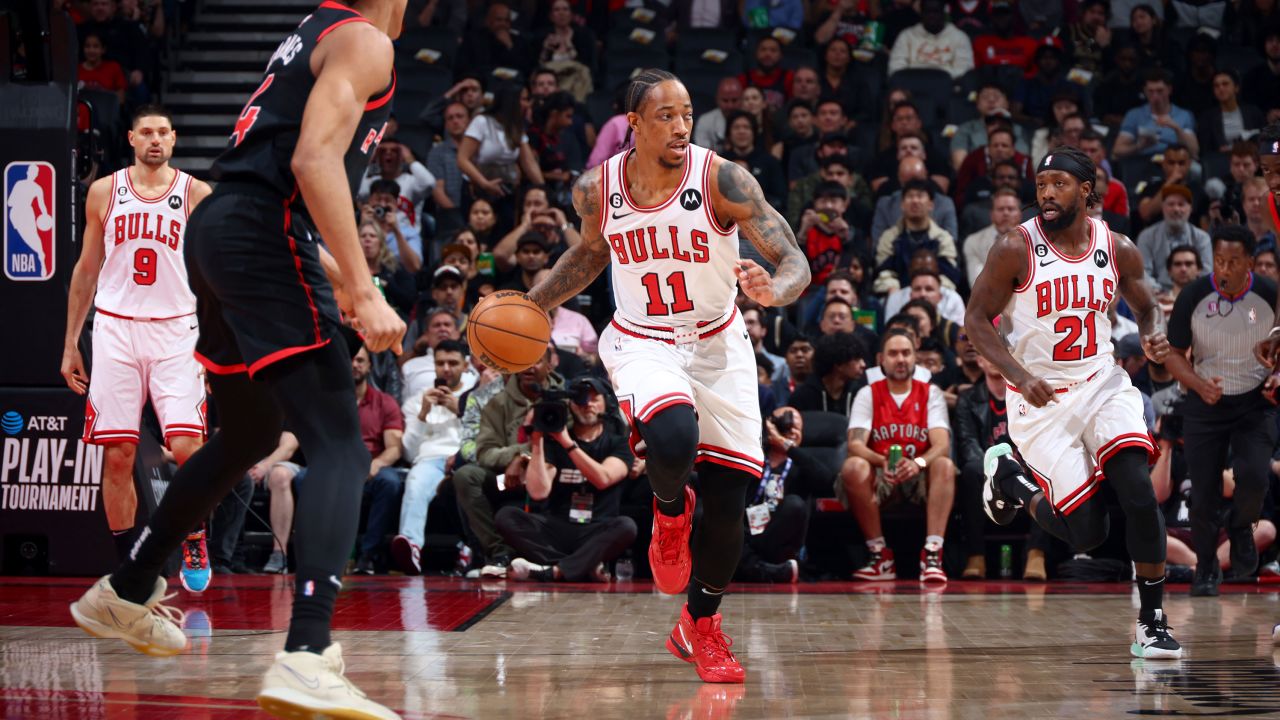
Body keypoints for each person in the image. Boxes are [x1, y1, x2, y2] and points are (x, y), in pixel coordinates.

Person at [68, 2, 408, 717]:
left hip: (216, 231)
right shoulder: (365, 40)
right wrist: (362, 284)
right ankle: (307, 654)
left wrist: (339, 277)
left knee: (250, 434)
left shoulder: (320, 26)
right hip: (261, 230)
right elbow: (311, 160)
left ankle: (127, 588)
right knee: (341, 447)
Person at [526, 69, 810, 684]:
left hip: (719, 344)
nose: (682, 126)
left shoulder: (722, 178)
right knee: (675, 436)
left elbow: (793, 257)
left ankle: (699, 625)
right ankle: (668, 509)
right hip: (642, 340)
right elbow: (587, 254)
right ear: (633, 123)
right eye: (666, 115)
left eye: (687, 113)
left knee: (732, 499)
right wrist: (536, 302)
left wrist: (777, 289)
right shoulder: (596, 190)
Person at [966, 146, 1183, 660]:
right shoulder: (1013, 247)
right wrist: (1017, 373)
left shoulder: (1118, 247)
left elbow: (1148, 307)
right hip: (1038, 401)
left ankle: (1152, 622)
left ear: (1088, 191)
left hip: (1101, 383)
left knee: (1138, 490)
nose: (1046, 194)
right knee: (1088, 532)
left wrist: (1154, 335)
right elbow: (976, 321)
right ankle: (1010, 481)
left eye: (1059, 184)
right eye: (1041, 186)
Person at [61, 105, 214, 593]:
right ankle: (128, 566)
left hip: (177, 331)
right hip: (115, 330)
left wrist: (214, 342)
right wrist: (71, 343)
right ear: (130, 138)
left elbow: (213, 274)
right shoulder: (104, 191)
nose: (154, 139)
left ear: (174, 139)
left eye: (162, 133)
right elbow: (86, 270)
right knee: (119, 455)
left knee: (190, 449)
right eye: (145, 132)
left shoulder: (195, 193)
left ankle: (193, 534)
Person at [1162, 225, 1277, 595]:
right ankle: (1207, 567)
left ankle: (1242, 526)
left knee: (1256, 476)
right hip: (1205, 401)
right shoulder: (1194, 295)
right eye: (1219, 260)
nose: (1223, 268)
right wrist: (1197, 385)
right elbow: (1174, 357)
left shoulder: (1269, 294)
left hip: (1256, 401)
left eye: (1232, 261)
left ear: (1250, 262)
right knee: (1205, 491)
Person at [840, 329, 955, 582]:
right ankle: (879, 555)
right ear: (881, 359)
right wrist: (882, 461)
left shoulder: (931, 393)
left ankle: (933, 555)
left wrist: (918, 463)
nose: (900, 359)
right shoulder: (868, 393)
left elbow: (942, 444)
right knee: (853, 466)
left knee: (945, 465)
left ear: (915, 358)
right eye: (893, 353)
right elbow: (855, 444)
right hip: (882, 472)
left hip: (920, 474)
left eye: (906, 353)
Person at [497, 376, 637, 582]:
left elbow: (603, 478)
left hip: (596, 530)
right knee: (506, 516)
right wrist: (536, 440)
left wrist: (566, 441)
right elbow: (538, 492)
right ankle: (581, 566)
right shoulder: (554, 443)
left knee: (626, 526)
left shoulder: (619, 443)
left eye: (593, 398)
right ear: (570, 405)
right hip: (557, 528)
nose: (587, 404)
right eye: (580, 399)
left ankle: (553, 570)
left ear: (606, 403)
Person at [392, 339, 474, 575]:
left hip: (463, 458)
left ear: (466, 365)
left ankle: (470, 547)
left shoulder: (475, 397)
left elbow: (482, 438)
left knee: (469, 479)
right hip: (428, 460)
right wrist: (422, 414)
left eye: (452, 363)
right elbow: (408, 452)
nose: (446, 369)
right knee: (416, 481)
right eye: (440, 363)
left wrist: (459, 409)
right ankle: (412, 546)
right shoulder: (416, 401)